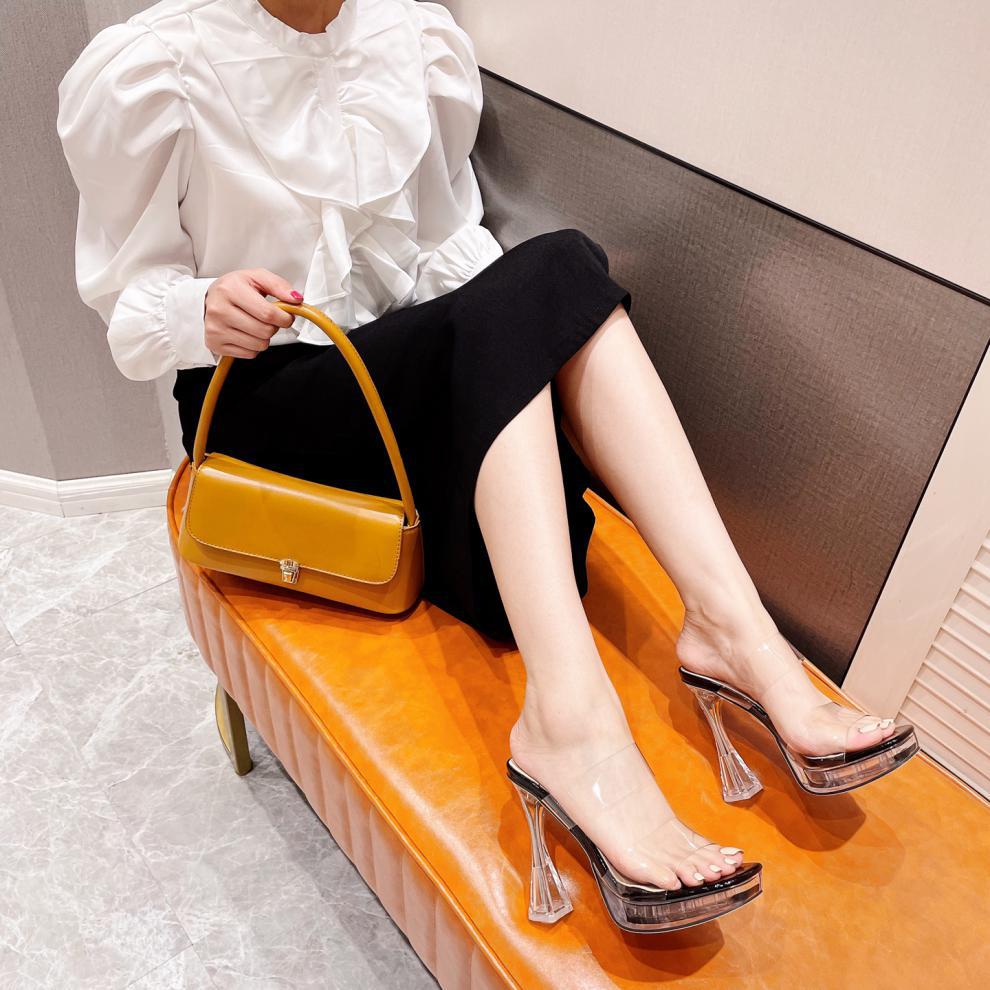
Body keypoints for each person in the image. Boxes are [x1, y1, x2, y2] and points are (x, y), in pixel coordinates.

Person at [56, 0, 915, 933]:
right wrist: (201, 309)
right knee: (552, 271)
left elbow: (447, 255)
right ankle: (577, 724)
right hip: (275, 399)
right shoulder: (153, 67)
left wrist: (509, 359)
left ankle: (733, 633)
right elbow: (128, 310)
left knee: (554, 277)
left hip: (402, 376)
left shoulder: (411, 38)